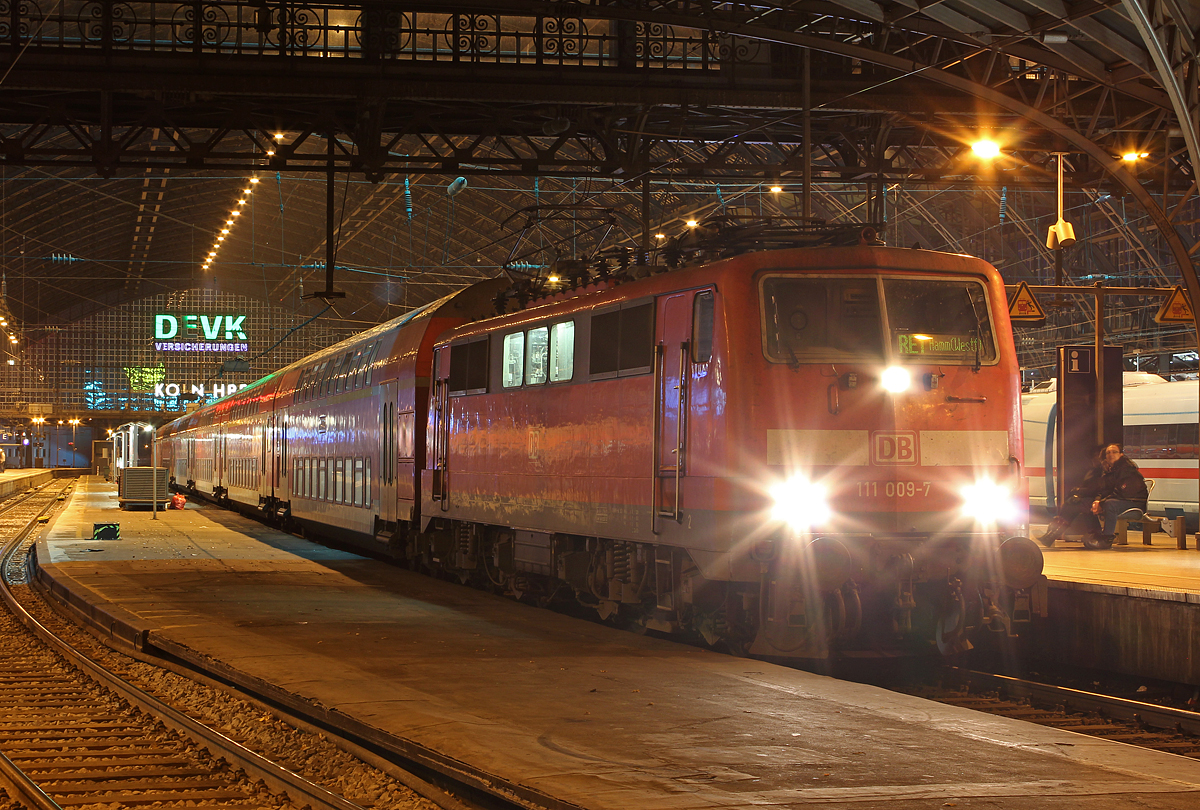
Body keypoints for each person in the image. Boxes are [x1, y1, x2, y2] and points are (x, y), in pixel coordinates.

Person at [1037, 450, 1106, 548]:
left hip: (1097, 498)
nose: (1094, 460)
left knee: (1071, 506)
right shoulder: (1094, 471)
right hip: (1091, 497)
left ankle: (1051, 535)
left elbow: (1096, 488)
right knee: (1070, 505)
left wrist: (1078, 491)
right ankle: (1050, 535)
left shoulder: (1100, 472)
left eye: (1097, 458)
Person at [1085, 443, 1149, 547]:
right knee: (1088, 504)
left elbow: (1122, 492)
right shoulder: (1109, 471)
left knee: (1110, 504)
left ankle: (1106, 539)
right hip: (1120, 499)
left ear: (1121, 455)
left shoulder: (1127, 470)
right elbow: (1103, 490)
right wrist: (1097, 500)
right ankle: (1096, 535)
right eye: (1108, 453)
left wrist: (1102, 502)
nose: (1111, 454)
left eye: (1114, 452)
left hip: (1134, 502)